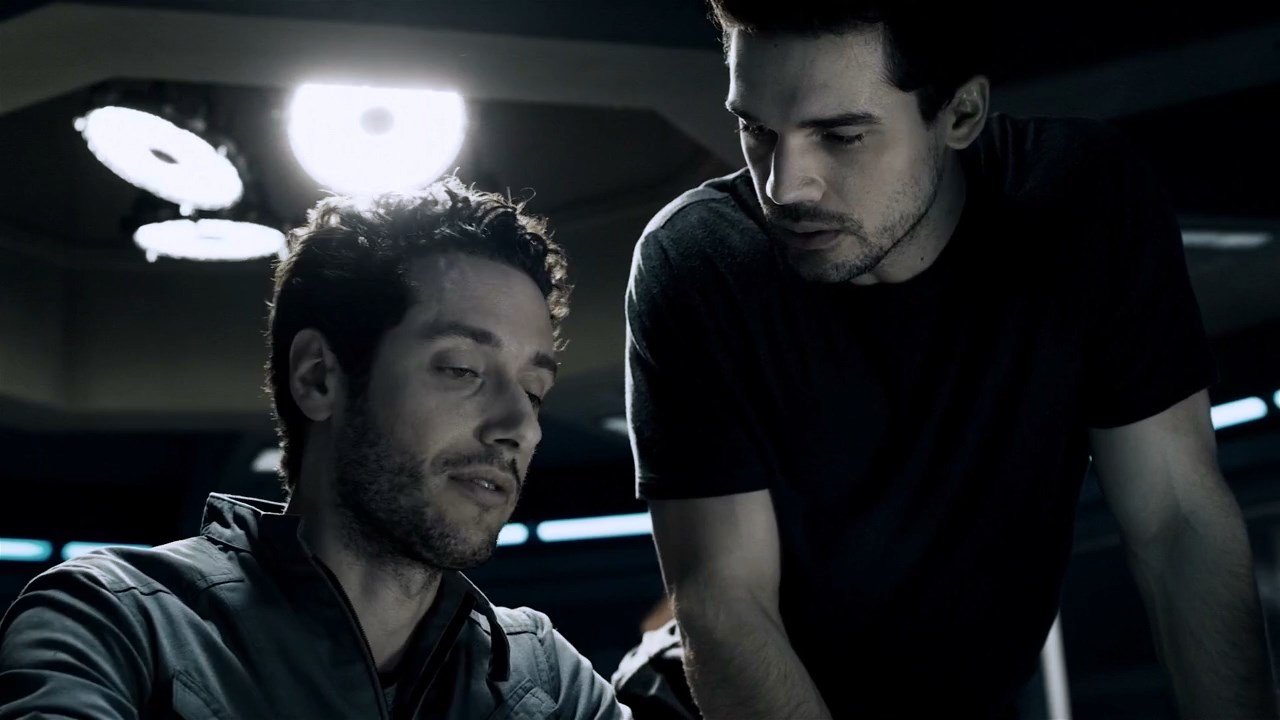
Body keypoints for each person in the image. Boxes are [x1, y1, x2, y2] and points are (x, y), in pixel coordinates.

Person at [623, 2, 1277, 718]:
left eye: (840, 135)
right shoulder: (697, 264)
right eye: (756, 130)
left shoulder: (1082, 203)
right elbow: (725, 603)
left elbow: (1177, 523)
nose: (785, 186)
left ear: (961, 115)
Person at [0, 178, 632, 719]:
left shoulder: (546, 679)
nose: (519, 425)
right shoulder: (118, 624)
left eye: (534, 391)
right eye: (462, 369)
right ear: (319, 378)